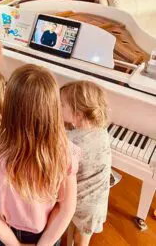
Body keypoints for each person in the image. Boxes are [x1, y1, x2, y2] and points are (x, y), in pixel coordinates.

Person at [0, 64, 80, 246]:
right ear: (53, 108)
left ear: (8, 105)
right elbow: (66, 208)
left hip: (5, 233)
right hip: (48, 233)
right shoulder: (65, 152)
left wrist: (13, 243)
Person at [60, 80, 111, 246]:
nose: (58, 108)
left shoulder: (71, 142)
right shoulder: (102, 133)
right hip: (99, 199)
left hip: (80, 203)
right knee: (83, 236)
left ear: (78, 115)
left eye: (61, 105)